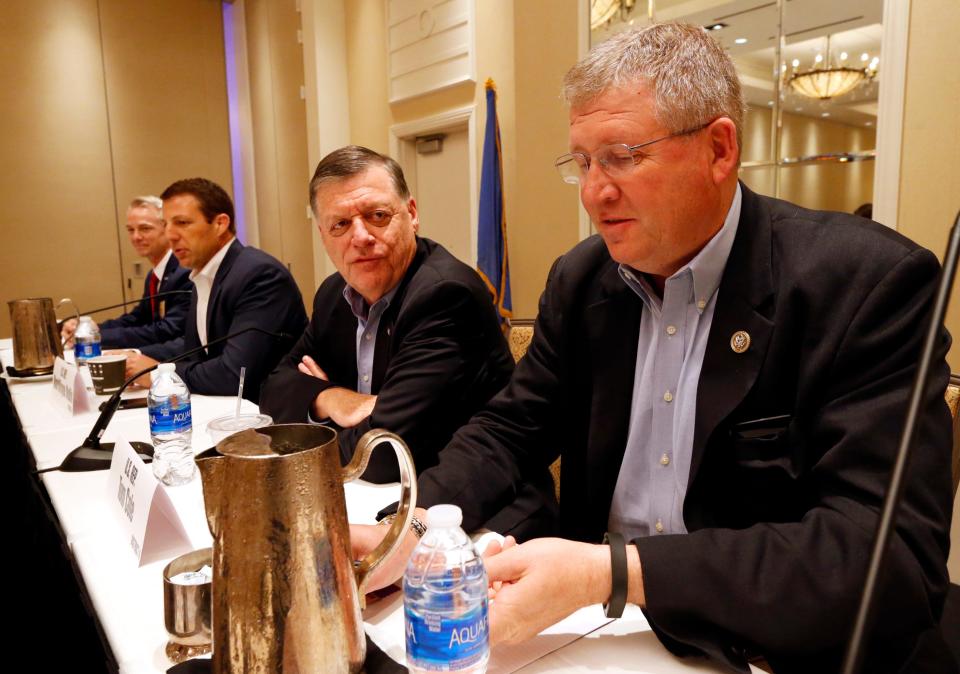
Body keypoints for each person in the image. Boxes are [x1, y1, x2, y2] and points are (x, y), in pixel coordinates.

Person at [353, 24, 956, 673]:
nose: (594, 192)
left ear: (719, 149)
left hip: (764, 645)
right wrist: (408, 528)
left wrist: (612, 571)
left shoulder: (865, 284)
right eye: (582, 163)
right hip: (598, 634)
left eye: (621, 156)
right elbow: (509, 429)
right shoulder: (582, 278)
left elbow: (888, 562)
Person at [260, 146, 555, 539]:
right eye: (340, 225)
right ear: (322, 235)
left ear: (412, 214)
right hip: (367, 497)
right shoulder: (334, 294)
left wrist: (311, 407)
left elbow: (384, 455)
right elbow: (273, 389)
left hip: (477, 513)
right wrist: (331, 398)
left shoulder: (446, 295)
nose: (360, 237)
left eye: (377, 216)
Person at [124, 178, 307, 402]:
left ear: (220, 224)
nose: (170, 235)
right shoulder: (205, 273)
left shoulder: (259, 274)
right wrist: (137, 358)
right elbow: (197, 347)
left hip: (267, 416)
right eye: (166, 225)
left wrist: (156, 374)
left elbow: (235, 374)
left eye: (182, 223)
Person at [60, 196, 191, 349]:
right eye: (130, 230)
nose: (136, 237)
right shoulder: (153, 276)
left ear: (166, 228)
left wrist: (95, 337)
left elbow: (167, 330)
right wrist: (93, 328)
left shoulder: (184, 272)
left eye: (145, 228)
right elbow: (137, 318)